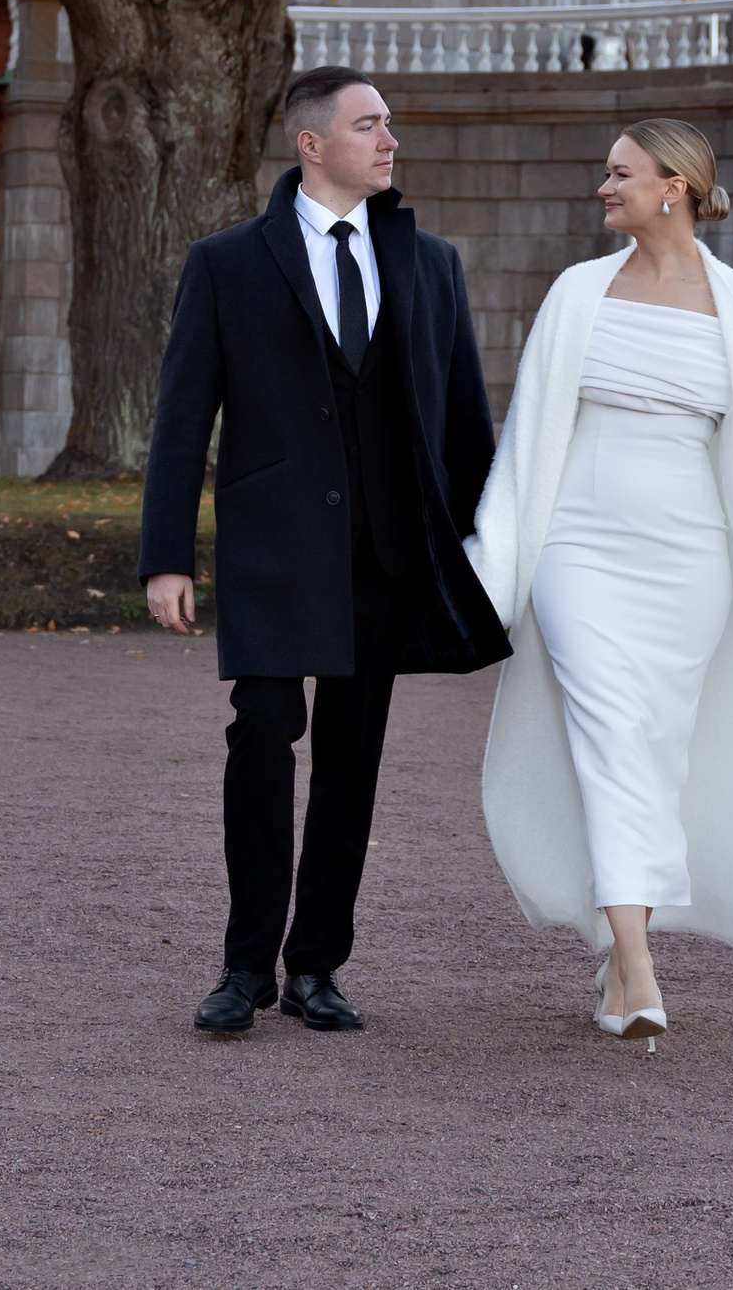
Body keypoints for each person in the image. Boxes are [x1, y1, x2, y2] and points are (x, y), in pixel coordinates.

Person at [465, 120, 733, 1038]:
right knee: (610, 731)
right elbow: (530, 437)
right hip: (579, 547)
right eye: (605, 172)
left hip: (692, 557)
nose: (604, 187)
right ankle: (639, 966)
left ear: (674, 186)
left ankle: (617, 956)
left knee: (654, 749)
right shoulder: (577, 293)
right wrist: (502, 552)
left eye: (619, 173)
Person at [139, 66, 510, 1035]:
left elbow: (464, 417)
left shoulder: (430, 263)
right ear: (311, 143)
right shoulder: (226, 261)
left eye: (389, 124)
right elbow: (183, 418)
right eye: (369, 123)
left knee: (353, 760)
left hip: (384, 551)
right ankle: (241, 963)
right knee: (262, 731)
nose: (390, 140)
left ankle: (316, 965)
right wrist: (165, 555)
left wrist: (489, 549)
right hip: (272, 546)